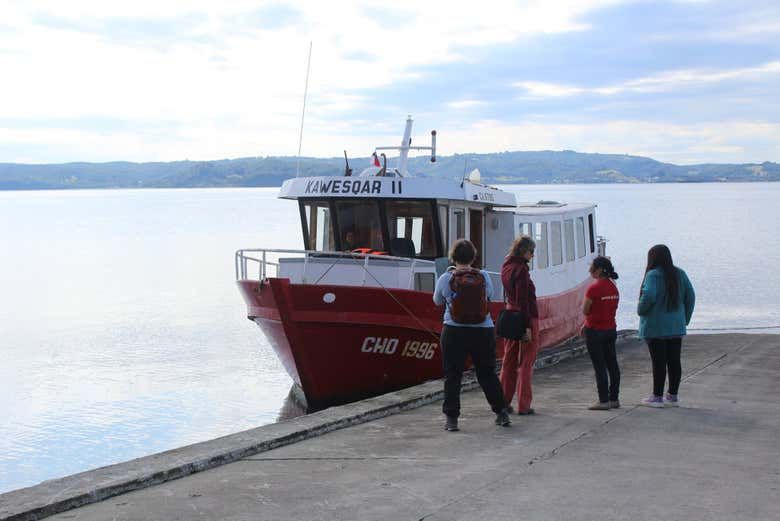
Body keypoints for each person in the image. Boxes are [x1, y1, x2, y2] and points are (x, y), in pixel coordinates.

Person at [433, 239, 511, 432]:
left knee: (453, 375)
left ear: (453, 257)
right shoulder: (483, 276)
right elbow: (490, 297)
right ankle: (501, 412)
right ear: (473, 257)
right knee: (486, 373)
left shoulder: (446, 277)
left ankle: (452, 420)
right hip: (482, 330)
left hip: (454, 329)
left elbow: (437, 301)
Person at [637, 244, 696, 408]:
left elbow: (648, 295)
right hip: (676, 326)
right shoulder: (680, 273)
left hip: (656, 326)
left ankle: (657, 397)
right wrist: (685, 319)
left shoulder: (653, 275)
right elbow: (691, 296)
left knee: (658, 362)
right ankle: (673, 395)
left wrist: (641, 309)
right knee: (674, 361)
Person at [499, 235, 540, 415]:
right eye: (532, 252)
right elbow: (523, 300)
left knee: (508, 361)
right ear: (525, 251)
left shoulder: (506, 266)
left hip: (510, 316)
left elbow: (513, 297)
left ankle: (503, 401)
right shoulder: (521, 270)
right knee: (525, 362)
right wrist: (527, 328)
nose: (532, 256)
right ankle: (524, 404)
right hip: (525, 317)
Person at [582, 256, 621, 410]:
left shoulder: (593, 288)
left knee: (599, 366)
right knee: (612, 364)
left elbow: (586, 310)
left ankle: (603, 400)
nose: (590, 269)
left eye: (592, 266)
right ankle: (614, 398)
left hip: (595, 331)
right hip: (610, 329)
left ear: (598, 270)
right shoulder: (613, 287)